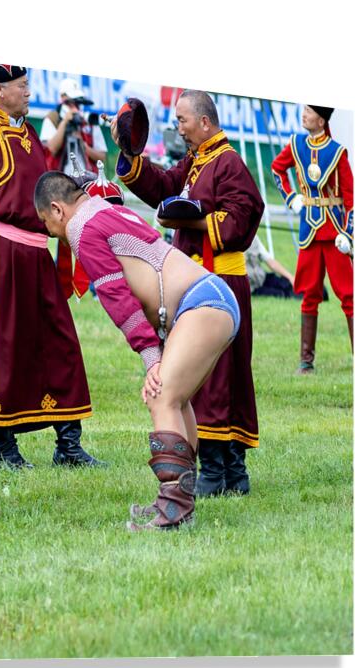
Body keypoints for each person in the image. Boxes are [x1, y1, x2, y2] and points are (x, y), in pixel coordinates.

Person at [34, 172, 240, 530]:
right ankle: (178, 502)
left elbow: (117, 296)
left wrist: (151, 357)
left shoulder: (81, 227)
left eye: (47, 222)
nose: (51, 232)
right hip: (209, 298)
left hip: (201, 303)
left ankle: (173, 511)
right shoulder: (103, 209)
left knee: (161, 396)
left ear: (57, 209)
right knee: (178, 398)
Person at [0, 63, 99, 471]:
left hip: (37, 254)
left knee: (59, 342)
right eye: (23, 86)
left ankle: (69, 444)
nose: (30, 93)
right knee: (4, 350)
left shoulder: (29, 133)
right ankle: (5, 451)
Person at [111, 89, 263, 497]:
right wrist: (131, 158)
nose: (177, 126)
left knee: (223, 377)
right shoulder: (197, 161)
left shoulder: (229, 163)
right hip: (195, 283)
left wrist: (195, 223)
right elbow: (163, 185)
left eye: (182, 120)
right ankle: (222, 468)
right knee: (206, 376)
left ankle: (225, 468)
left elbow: (245, 215)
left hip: (222, 280)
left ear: (205, 122)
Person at [270, 104, 354, 373]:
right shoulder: (296, 144)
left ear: (321, 119)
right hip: (309, 230)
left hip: (334, 234)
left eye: (308, 110)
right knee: (309, 294)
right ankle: (306, 361)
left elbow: (351, 200)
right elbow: (276, 170)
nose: (303, 114)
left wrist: (349, 234)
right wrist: (291, 197)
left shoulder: (338, 152)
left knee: (349, 295)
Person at [40, 78, 107, 175]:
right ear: (62, 98)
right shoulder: (52, 118)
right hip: (60, 181)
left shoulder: (88, 120)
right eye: (72, 102)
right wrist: (65, 122)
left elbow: (101, 156)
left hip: (87, 177)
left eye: (78, 102)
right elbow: (52, 149)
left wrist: (84, 146)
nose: (76, 107)